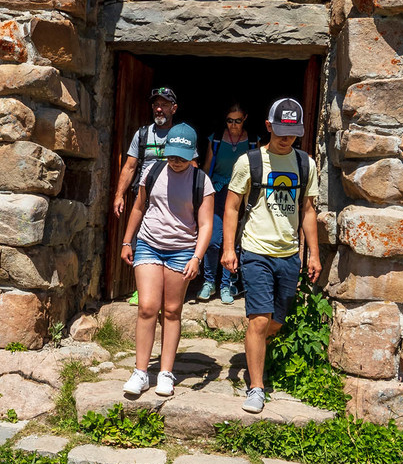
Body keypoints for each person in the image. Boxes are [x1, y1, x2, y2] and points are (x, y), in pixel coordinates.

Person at [221, 95, 321, 415]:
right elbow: (232, 207)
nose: (285, 138)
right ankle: (256, 387)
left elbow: (307, 211)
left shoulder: (306, 164)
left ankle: (257, 347)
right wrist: (227, 249)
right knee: (260, 319)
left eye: (291, 133)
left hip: (289, 254)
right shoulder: (249, 162)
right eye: (279, 131)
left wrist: (313, 255)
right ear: (268, 126)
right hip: (255, 250)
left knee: (276, 322)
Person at [119, 121, 214, 399]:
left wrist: (197, 257)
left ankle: (165, 372)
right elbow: (139, 206)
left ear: (192, 155)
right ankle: (140, 372)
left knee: (172, 311)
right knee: (147, 307)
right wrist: (128, 240)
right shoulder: (152, 170)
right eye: (171, 155)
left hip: (182, 250)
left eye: (181, 157)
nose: (175, 161)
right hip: (149, 244)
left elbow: (206, 224)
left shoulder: (201, 181)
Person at [197, 103, 250, 302]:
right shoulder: (216, 140)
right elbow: (207, 167)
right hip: (218, 192)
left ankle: (227, 284)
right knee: (213, 240)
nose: (233, 125)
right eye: (230, 120)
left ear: (245, 117)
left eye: (237, 120)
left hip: (241, 195)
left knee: (234, 242)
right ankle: (209, 282)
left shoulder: (254, 142)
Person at [113, 83, 180, 223]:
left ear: (174, 109)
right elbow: (129, 167)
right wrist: (119, 195)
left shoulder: (181, 136)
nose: (159, 109)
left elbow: (192, 168)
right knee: (139, 239)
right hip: (144, 199)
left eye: (165, 105)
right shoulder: (142, 134)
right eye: (156, 105)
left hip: (172, 199)